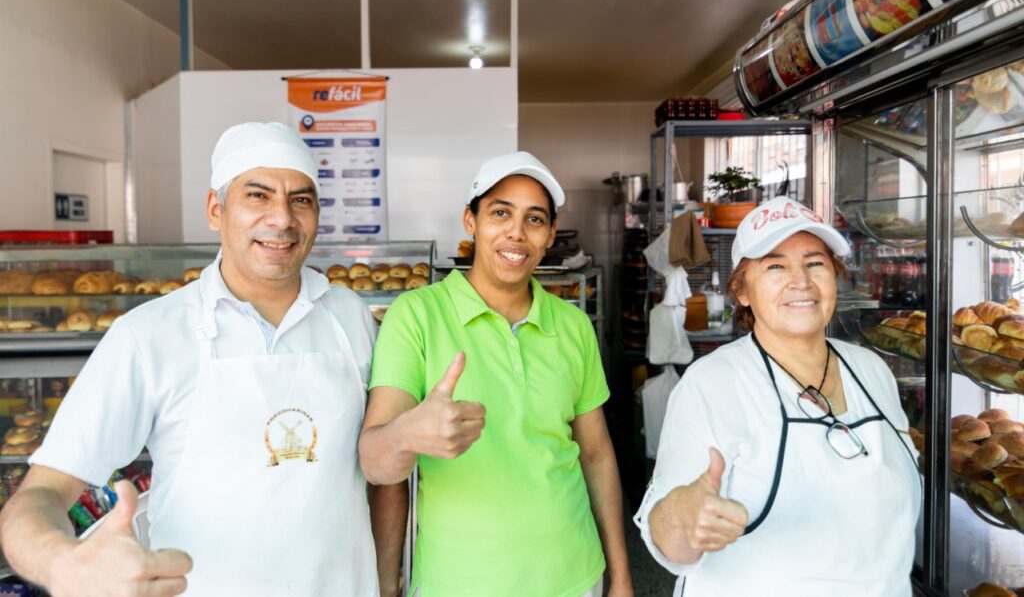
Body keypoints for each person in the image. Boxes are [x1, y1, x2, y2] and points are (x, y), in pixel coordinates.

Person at [0, 122, 407, 596]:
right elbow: (41, 492)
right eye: (257, 196)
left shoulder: (350, 317)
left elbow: (381, 474)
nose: (282, 219)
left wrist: (386, 584)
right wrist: (62, 563)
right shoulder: (148, 334)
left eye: (300, 200)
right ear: (216, 209)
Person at [359, 151, 633, 597]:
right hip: (459, 583)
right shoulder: (416, 315)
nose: (516, 233)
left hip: (575, 574)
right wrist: (408, 432)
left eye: (534, 219)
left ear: (550, 236)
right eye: (500, 213)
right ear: (470, 221)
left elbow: (597, 454)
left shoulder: (572, 324)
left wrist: (620, 576)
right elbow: (374, 462)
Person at [634, 196, 921, 596]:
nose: (800, 281)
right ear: (742, 291)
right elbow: (669, 542)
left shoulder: (871, 369)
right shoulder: (713, 383)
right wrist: (683, 515)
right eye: (775, 266)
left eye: (815, 263)